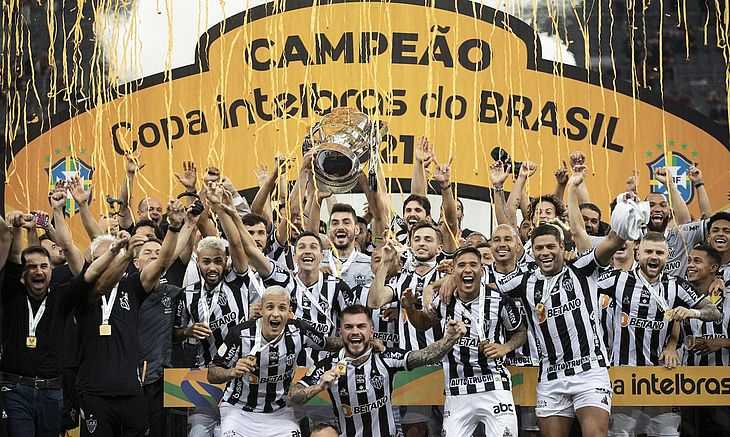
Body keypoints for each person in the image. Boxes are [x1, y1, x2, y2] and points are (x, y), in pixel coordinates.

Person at [495, 220, 629, 437]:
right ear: (532, 252)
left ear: (562, 248)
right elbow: (482, 286)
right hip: (551, 376)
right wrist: (444, 283)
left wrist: (626, 221)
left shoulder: (582, 268)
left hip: (590, 372)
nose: (545, 252)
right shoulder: (524, 281)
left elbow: (613, 241)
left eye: (550, 247)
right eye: (539, 248)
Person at [75, 202, 182, 437]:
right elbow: (72, 250)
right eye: (101, 258)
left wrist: (174, 228)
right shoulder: (82, 292)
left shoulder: (131, 287)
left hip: (132, 392)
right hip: (94, 393)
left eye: (112, 255)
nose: (108, 262)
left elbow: (162, 262)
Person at [288, 304, 466, 437]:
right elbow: (293, 397)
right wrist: (319, 387)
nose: (355, 332)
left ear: (371, 330)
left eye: (361, 326)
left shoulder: (384, 357)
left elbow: (425, 356)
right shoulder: (328, 366)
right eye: (349, 327)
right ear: (341, 331)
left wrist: (449, 338)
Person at [403, 247, 527, 436]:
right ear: (453, 271)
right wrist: (410, 308)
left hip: (494, 385)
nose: (467, 269)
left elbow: (520, 332)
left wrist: (505, 347)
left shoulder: (500, 300)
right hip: (457, 389)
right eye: (461, 265)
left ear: (481, 270)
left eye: (473, 265)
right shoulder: (444, 300)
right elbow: (422, 323)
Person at [207, 286, 340, 437]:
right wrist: (232, 371)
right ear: (261, 310)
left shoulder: (299, 331)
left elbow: (328, 344)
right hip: (238, 411)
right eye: (270, 307)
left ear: (289, 312)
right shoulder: (240, 334)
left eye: (282, 308)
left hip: (279, 413)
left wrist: (361, 340)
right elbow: (212, 373)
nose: (275, 314)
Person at [680, 244, 730, 435]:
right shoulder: (678, 296)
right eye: (690, 261)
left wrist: (723, 342)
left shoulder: (728, 297)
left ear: (714, 268)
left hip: (721, 390)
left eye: (697, 261)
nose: (690, 265)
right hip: (686, 386)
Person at [322, 203, 373, 289]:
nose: (340, 227)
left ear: (356, 230)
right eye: (335, 223)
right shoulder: (317, 261)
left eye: (346, 223)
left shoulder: (370, 264)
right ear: (329, 230)